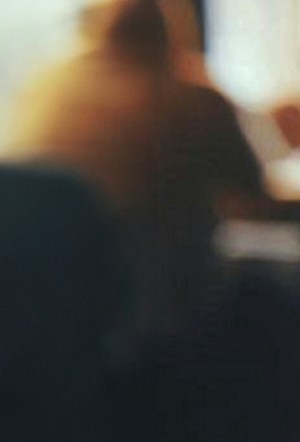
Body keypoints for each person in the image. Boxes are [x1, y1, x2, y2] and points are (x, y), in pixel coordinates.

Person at [3, 0, 267, 363]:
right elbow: (254, 195)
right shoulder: (188, 96)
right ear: (171, 34)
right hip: (143, 304)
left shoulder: (42, 85)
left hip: (31, 307)